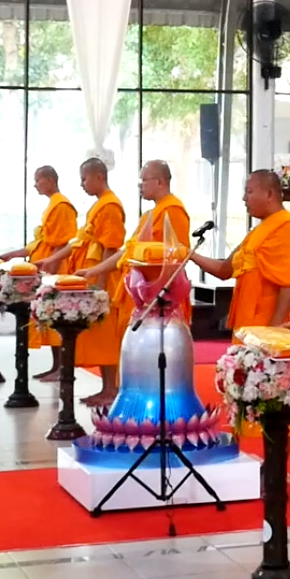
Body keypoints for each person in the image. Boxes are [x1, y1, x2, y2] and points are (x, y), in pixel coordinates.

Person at [82, 161, 192, 405]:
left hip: (158, 298)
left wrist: (158, 293)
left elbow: (174, 257)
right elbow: (129, 253)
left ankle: (150, 399)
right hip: (139, 294)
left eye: (145, 180)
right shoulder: (150, 214)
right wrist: (93, 270)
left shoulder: (173, 211)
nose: (140, 186)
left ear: (161, 182)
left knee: (152, 353)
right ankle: (126, 394)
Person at [35, 158, 127, 405]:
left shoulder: (110, 206)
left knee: (105, 336)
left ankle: (111, 389)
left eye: (85, 178)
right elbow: (79, 241)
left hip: (102, 278)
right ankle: (106, 387)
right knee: (97, 335)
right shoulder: (99, 206)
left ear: (99, 177)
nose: (82, 184)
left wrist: (101, 285)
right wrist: (52, 258)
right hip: (91, 274)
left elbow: (111, 247)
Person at [190, 169, 290, 329]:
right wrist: (189, 254)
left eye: (249, 191)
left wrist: (275, 329)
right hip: (248, 320)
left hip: (272, 321)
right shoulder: (258, 231)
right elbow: (224, 270)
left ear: (269, 194)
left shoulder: (289, 226)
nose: (244, 198)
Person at [0, 165, 79, 379]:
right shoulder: (53, 205)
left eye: (39, 180)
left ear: (51, 181)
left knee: (55, 315)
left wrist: (50, 270)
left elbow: (62, 242)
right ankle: (56, 366)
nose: (35, 185)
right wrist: (14, 254)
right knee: (48, 316)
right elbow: (41, 243)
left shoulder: (62, 206)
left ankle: (62, 367)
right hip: (46, 265)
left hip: (56, 267)